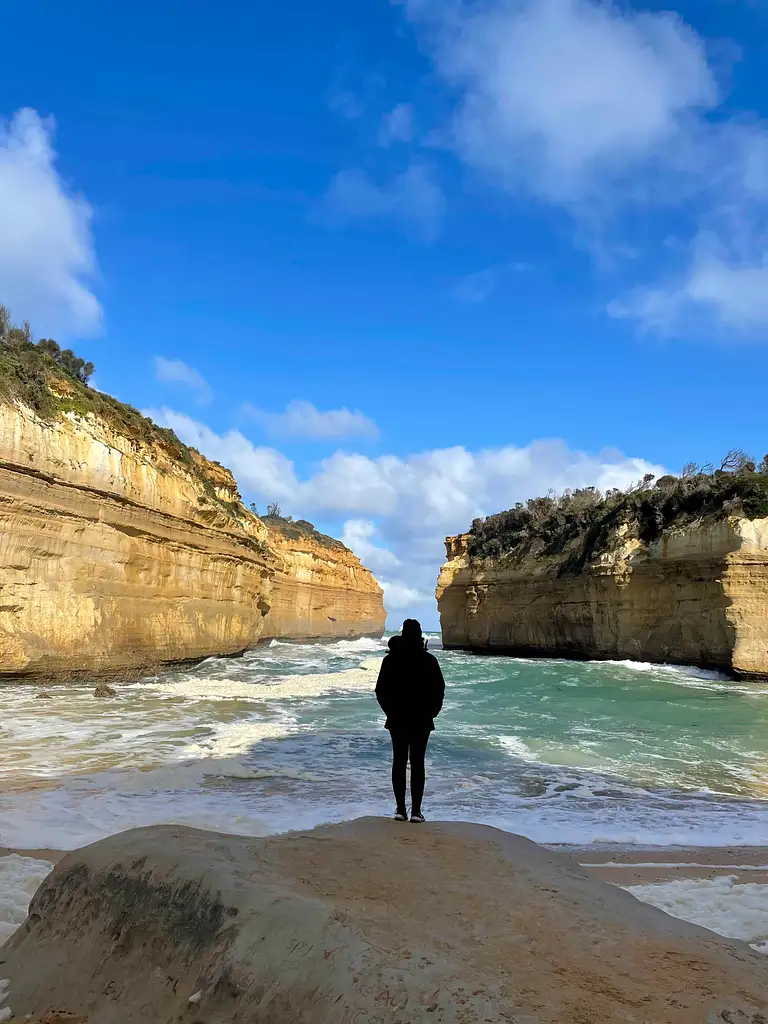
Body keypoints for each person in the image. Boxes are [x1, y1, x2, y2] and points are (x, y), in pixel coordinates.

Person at [375, 619, 445, 823]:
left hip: (397, 719)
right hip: (422, 719)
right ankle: (416, 811)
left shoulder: (391, 660)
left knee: (398, 762)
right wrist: (432, 712)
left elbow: (381, 691)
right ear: (420, 634)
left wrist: (390, 712)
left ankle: (400, 809)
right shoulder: (429, 660)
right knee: (417, 763)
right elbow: (439, 689)